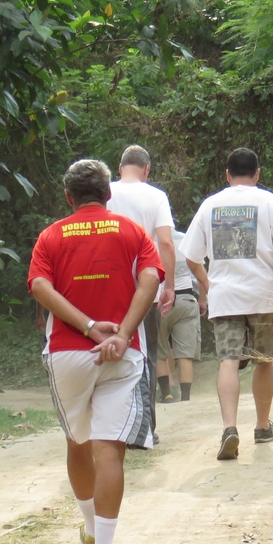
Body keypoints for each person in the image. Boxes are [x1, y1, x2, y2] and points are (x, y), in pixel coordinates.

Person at [28, 158, 163, 544]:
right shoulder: (132, 231)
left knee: (77, 441)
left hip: (67, 353)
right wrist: (121, 333)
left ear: (69, 198)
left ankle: (88, 527)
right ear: (108, 194)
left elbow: (40, 286)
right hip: (120, 355)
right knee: (110, 450)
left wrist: (87, 327)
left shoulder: (51, 236)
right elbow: (150, 280)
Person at [180, 148, 273, 460]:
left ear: (227, 175)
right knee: (264, 359)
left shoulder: (210, 205)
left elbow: (190, 256)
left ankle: (229, 428)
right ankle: (262, 426)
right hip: (264, 295)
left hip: (226, 298)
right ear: (257, 174)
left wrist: (209, 284)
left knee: (229, 360)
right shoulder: (270, 202)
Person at [106, 145, 176, 444]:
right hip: (145, 290)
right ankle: (145, 429)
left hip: (107, 288)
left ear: (119, 168)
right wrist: (169, 285)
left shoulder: (105, 193)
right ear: (147, 169)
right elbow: (166, 243)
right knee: (145, 356)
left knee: (108, 354)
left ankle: (113, 428)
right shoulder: (156, 196)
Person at [157, 227, 204, 403]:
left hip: (159, 301)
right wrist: (203, 300)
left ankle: (167, 394)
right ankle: (185, 397)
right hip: (186, 299)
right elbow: (199, 273)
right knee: (185, 354)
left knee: (160, 351)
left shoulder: (149, 241)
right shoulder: (187, 240)